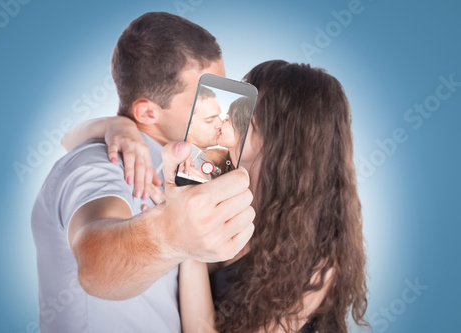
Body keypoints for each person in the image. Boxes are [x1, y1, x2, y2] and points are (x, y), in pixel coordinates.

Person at [63, 61, 369, 332]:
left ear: (283, 144)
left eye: (245, 117)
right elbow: (68, 139)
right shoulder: (213, 176)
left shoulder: (322, 261)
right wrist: (117, 126)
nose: (223, 121)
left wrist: (189, 242)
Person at [31, 12, 256, 333]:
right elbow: (94, 263)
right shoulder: (97, 164)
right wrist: (171, 235)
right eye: (205, 96)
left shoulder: (185, 169)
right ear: (148, 112)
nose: (218, 112)